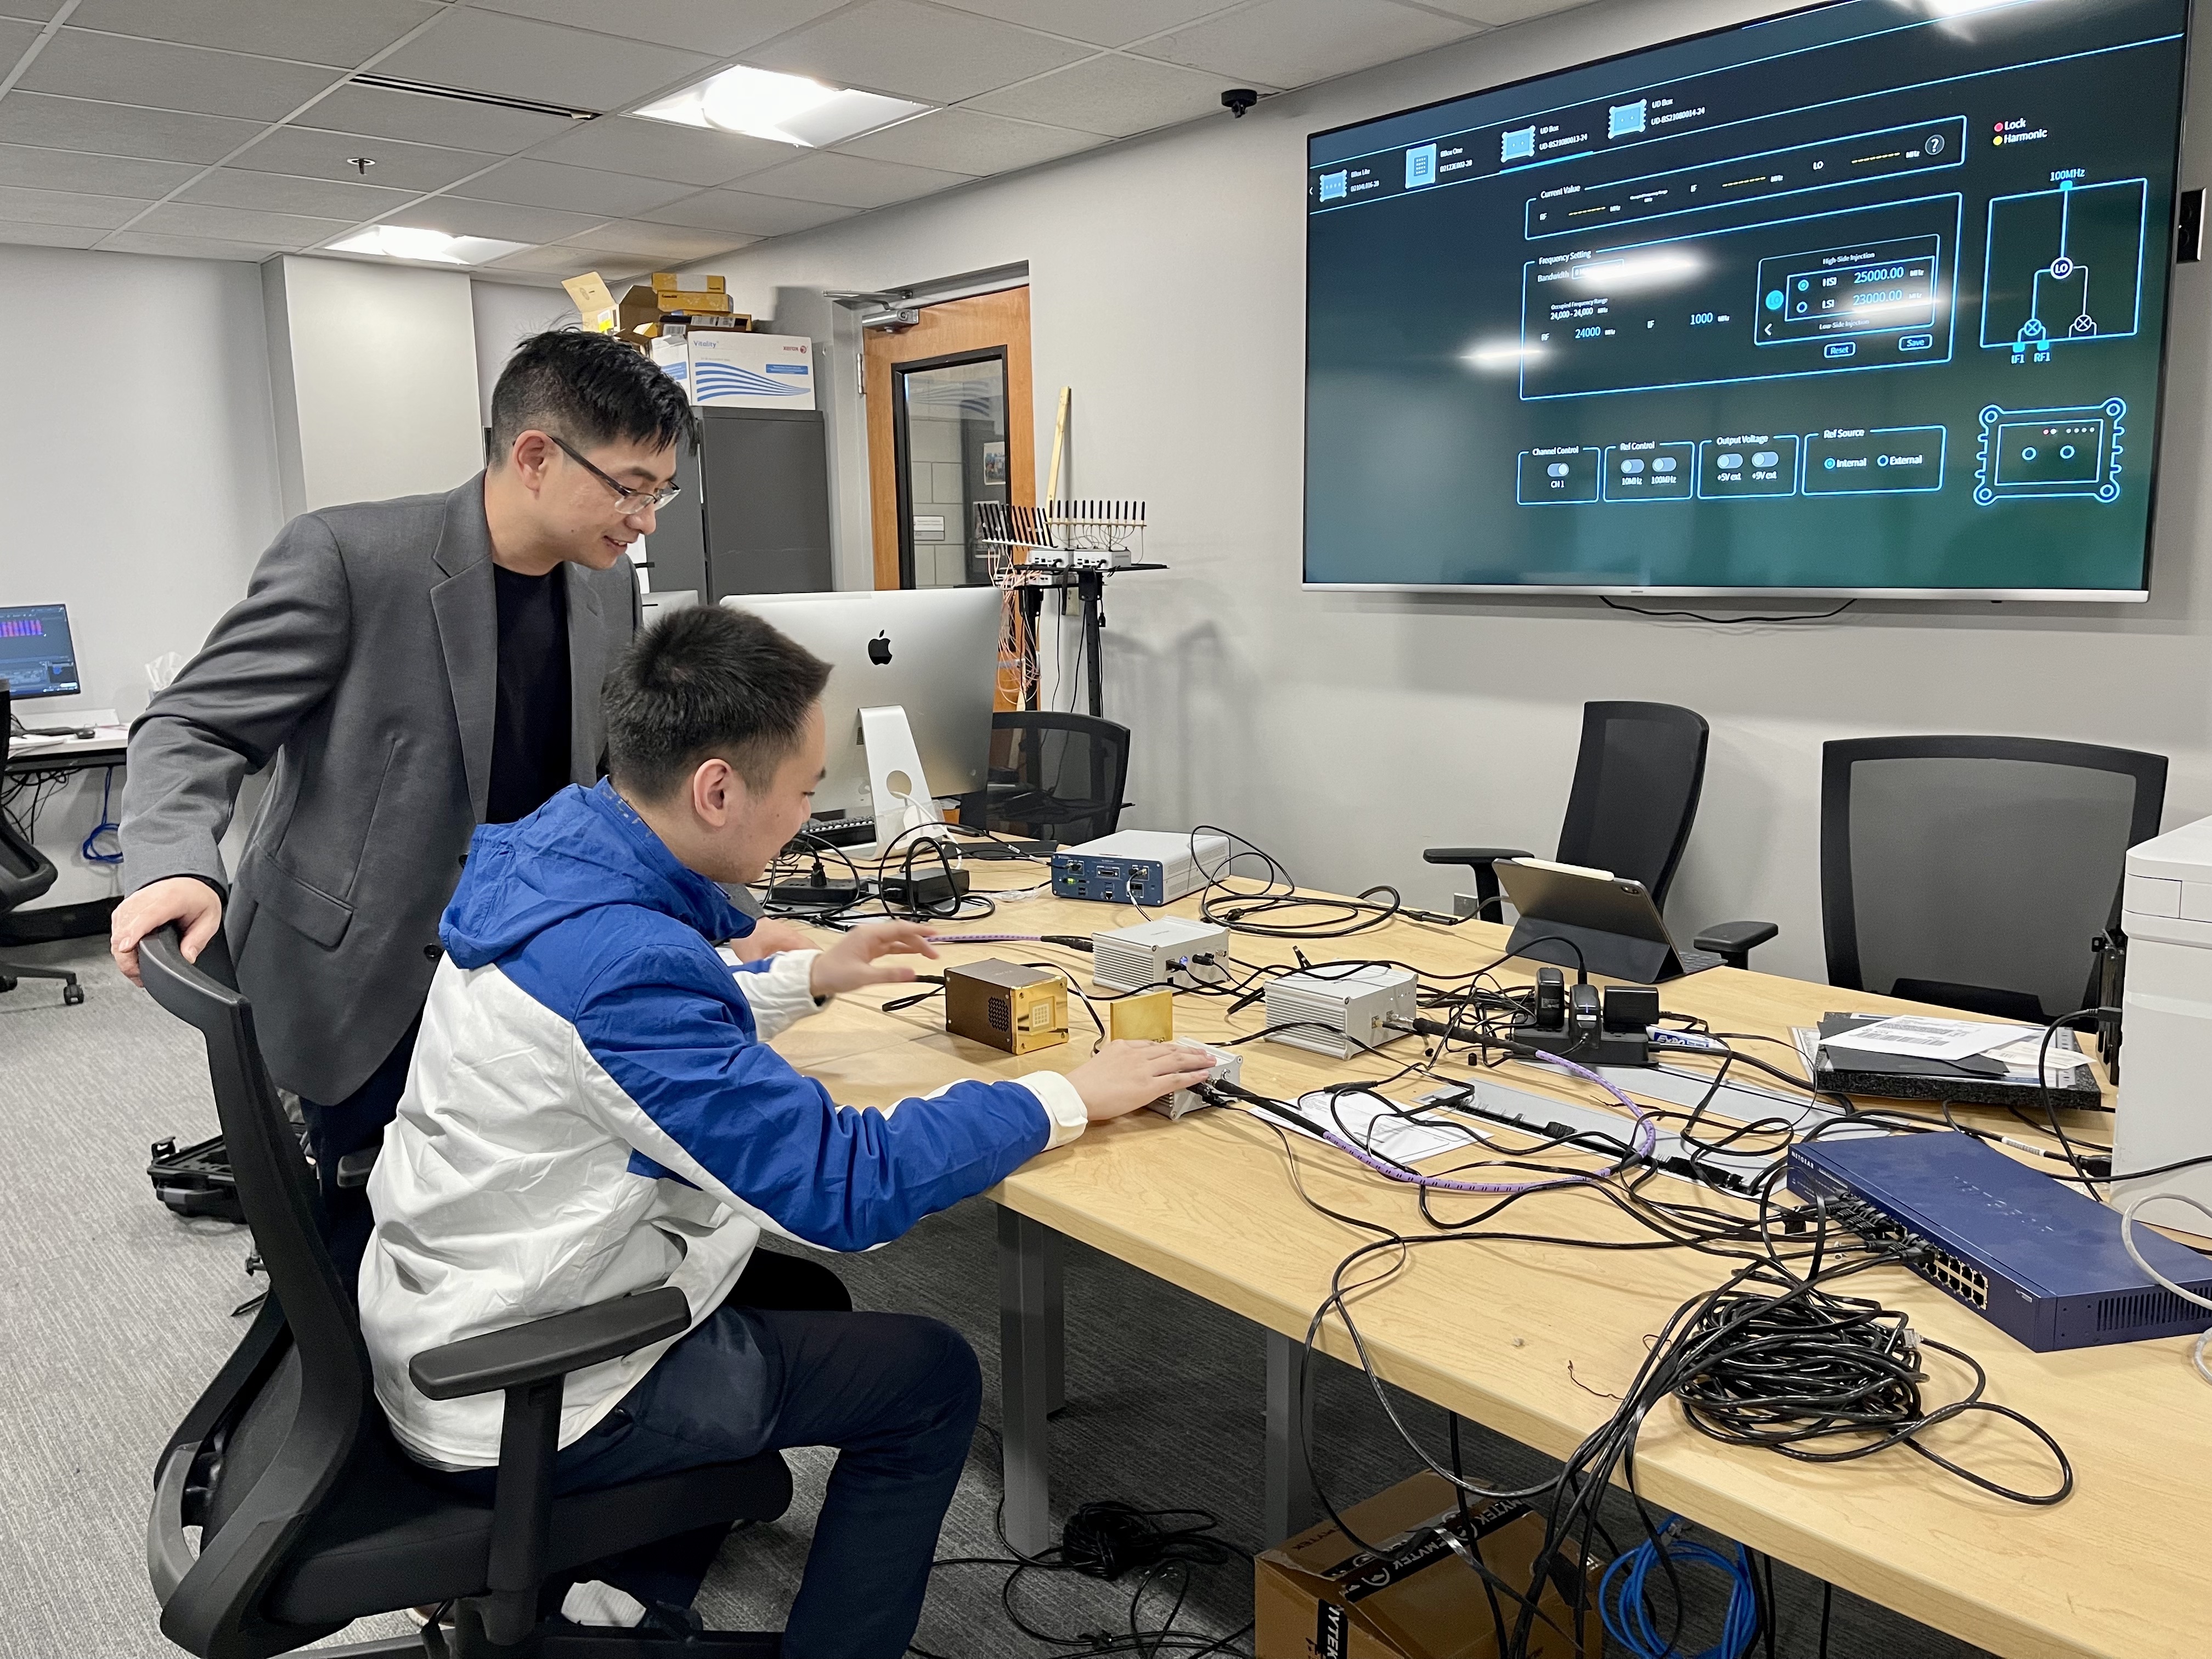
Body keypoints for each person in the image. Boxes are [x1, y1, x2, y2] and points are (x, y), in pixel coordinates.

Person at [358, 605, 1215, 1655]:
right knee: (931, 1379)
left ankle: (625, 1590)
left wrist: (809, 971)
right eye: (806, 791)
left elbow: (648, 1001)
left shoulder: (556, 850)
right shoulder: (622, 972)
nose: (809, 817)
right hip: (521, 1384)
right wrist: (1069, 1094)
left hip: (452, 1297)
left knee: (801, 1298)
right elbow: (841, 1188)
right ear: (717, 789)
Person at [109, 331, 799, 1271]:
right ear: (535, 457)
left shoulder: (603, 596)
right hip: (357, 973)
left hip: (511, 977)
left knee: (483, 1230)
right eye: (631, 487)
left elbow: (614, 789)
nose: (647, 520)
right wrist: (175, 865)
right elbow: (191, 726)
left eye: (660, 492)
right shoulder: (351, 557)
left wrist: (720, 912)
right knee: (338, 1249)